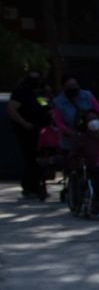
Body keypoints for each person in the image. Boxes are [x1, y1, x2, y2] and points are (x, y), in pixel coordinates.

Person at [8, 70, 52, 200]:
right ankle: (30, 187)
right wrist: (25, 123)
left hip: (43, 130)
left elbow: (44, 105)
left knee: (42, 158)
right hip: (27, 130)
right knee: (31, 158)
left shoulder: (39, 93)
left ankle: (39, 184)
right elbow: (11, 109)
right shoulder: (21, 92)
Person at [51, 75, 99, 142]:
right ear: (64, 87)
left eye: (74, 85)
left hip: (92, 138)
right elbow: (59, 122)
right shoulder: (59, 102)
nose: (73, 88)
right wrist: (70, 132)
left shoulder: (87, 96)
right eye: (69, 86)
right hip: (71, 141)